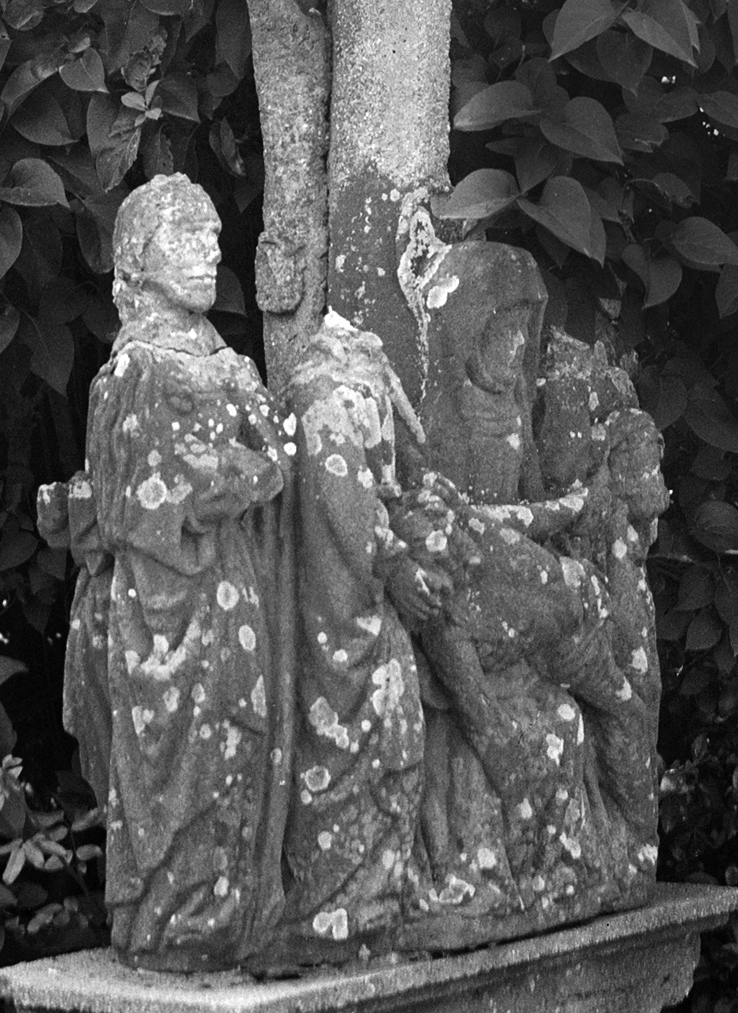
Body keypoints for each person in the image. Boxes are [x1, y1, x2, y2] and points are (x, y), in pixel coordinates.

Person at [44, 174, 294, 966]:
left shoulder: (229, 363)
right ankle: (168, 922)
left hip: (234, 588)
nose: (209, 250)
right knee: (168, 762)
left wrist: (221, 476)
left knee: (238, 744)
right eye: (187, 235)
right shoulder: (133, 371)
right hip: (162, 601)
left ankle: (227, 917)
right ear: (138, 257)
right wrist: (226, 478)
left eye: (213, 235)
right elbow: (127, 508)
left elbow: (277, 460)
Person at [279, 312, 443, 949]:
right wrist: (396, 564)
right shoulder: (325, 399)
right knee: (356, 738)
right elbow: (348, 506)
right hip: (340, 603)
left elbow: (376, 493)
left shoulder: (343, 390)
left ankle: (383, 889)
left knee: (397, 734)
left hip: (363, 601)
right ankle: (343, 902)